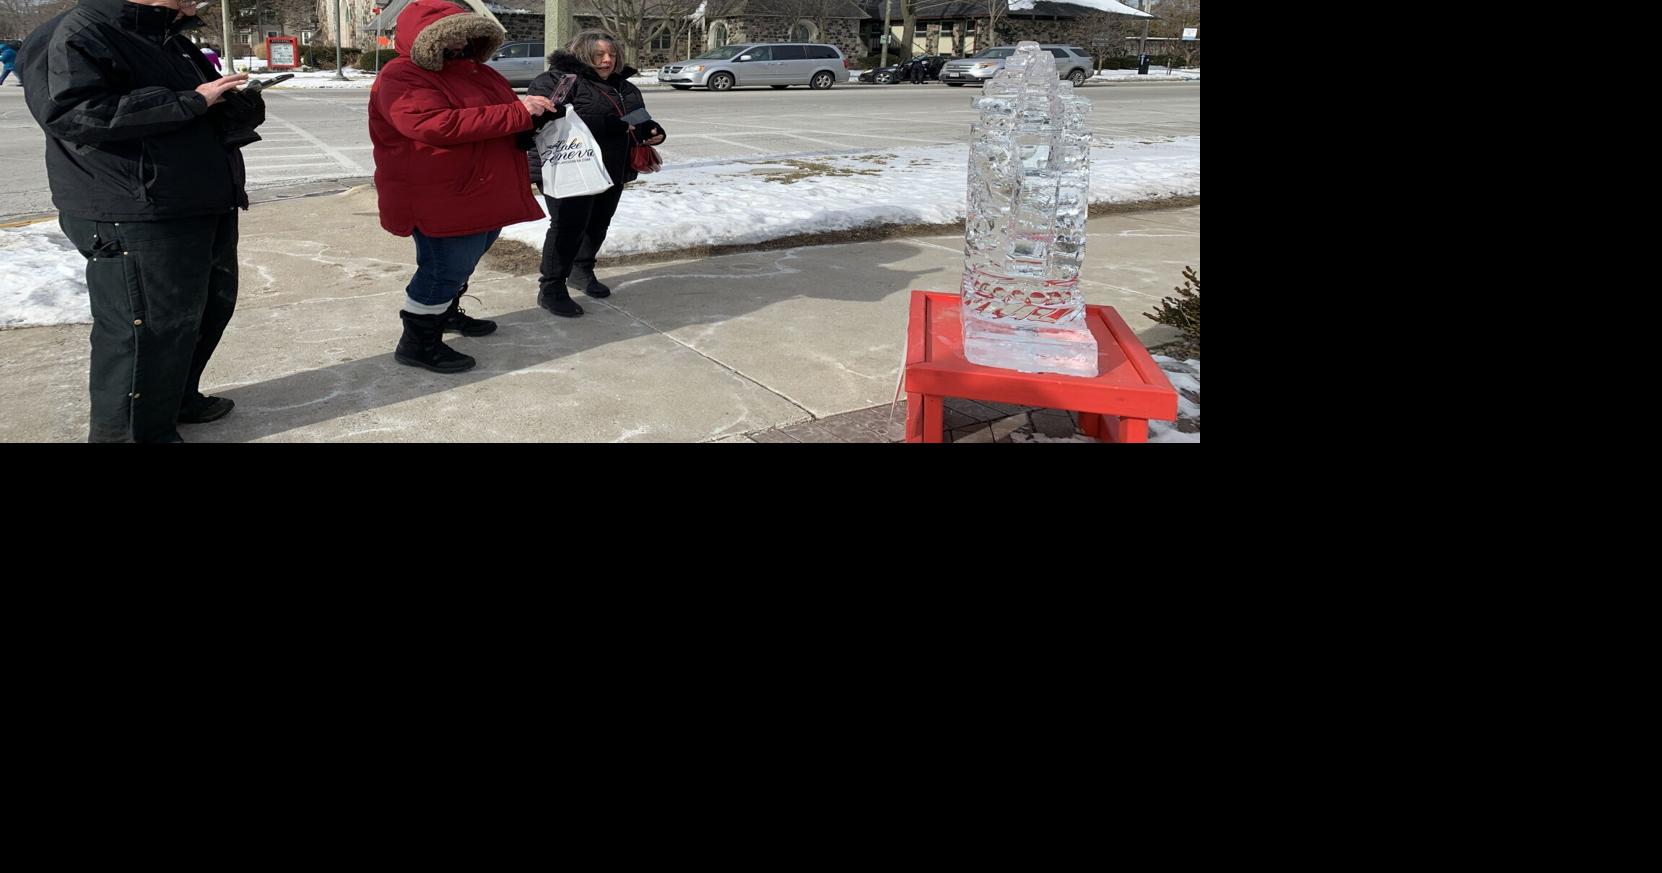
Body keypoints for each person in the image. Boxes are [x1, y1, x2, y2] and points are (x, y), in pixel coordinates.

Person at [19, 0, 266, 442]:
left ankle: (173, 399)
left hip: (195, 199)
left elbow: (192, 110)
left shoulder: (166, 35)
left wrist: (232, 106)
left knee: (202, 311)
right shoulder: (79, 32)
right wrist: (189, 101)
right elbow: (73, 114)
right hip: (135, 208)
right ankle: (129, 433)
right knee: (146, 329)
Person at [368, 0, 554, 373]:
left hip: (480, 190)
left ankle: (446, 313)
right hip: (440, 194)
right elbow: (432, 124)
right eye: (448, 36)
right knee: (442, 270)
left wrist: (532, 116)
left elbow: (496, 118)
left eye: (465, 34)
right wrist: (519, 112)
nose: (459, 42)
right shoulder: (402, 75)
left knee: (462, 263)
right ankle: (418, 343)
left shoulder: (478, 73)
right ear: (423, 39)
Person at [526, 30, 665, 318]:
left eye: (612, 55)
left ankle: (581, 270)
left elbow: (638, 118)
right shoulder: (558, 81)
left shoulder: (624, 86)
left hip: (611, 166)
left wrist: (652, 131)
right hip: (567, 167)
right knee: (567, 226)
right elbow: (544, 123)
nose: (607, 60)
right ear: (581, 54)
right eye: (599, 55)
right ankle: (551, 287)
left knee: (598, 222)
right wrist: (613, 125)